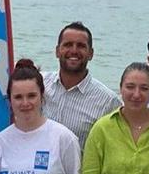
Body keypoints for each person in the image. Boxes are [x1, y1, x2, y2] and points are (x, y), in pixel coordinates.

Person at [42, 21, 121, 150]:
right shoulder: (40, 85)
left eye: (81, 46)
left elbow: (114, 149)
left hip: (79, 170)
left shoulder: (108, 101)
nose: (74, 51)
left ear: (91, 54)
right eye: (67, 45)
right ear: (57, 51)